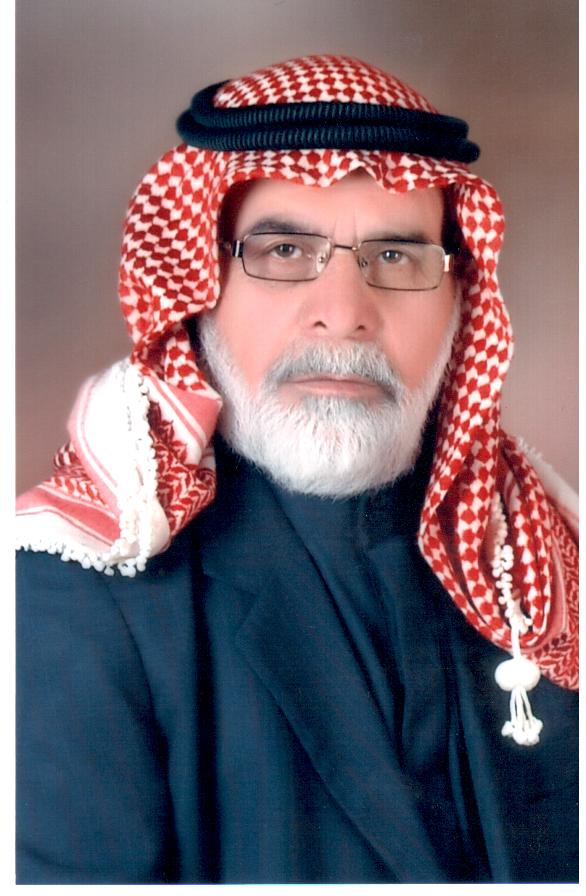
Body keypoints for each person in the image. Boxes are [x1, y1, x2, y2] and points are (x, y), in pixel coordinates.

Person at [16, 55, 578, 884]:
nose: (344, 314)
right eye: (283, 250)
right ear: (197, 284)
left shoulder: (543, 573)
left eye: (396, 257)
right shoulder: (77, 595)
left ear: (459, 301)